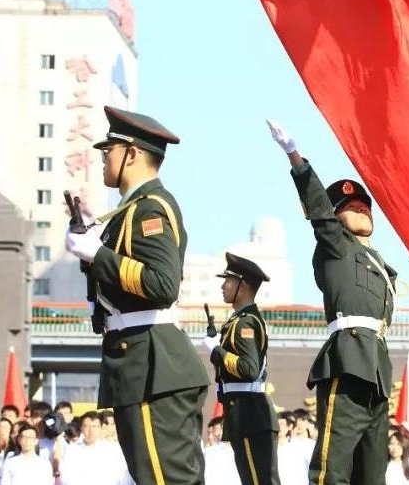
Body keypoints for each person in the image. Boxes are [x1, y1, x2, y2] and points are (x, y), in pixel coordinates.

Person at [65, 106, 209, 484]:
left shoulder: (149, 209)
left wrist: (97, 255)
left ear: (132, 153)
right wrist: (92, 252)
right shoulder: (128, 211)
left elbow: (163, 285)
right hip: (139, 361)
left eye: (109, 150)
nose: (103, 158)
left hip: (151, 364)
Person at [267, 120, 397, 484]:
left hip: (376, 371)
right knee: (332, 468)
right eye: (351, 206)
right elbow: (319, 211)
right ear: (336, 217)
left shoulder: (379, 264)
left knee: (372, 474)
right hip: (349, 361)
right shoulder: (337, 247)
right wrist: (295, 157)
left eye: (365, 206)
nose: (362, 210)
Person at [204, 252, 280, 485]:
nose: (223, 286)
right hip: (244, 412)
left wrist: (216, 351)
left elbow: (249, 368)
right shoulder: (239, 320)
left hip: (249, 413)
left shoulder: (247, 322)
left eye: (228, 281)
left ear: (243, 286)